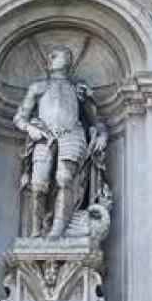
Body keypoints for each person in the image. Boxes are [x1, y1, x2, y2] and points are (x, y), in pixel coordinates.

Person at [13, 46, 108, 240]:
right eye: (51, 55)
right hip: (44, 135)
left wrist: (102, 136)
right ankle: (36, 230)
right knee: (38, 183)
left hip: (72, 134)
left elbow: (97, 121)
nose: (51, 57)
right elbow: (20, 118)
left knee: (65, 179)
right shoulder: (38, 87)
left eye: (56, 54)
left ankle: (58, 230)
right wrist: (31, 129)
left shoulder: (79, 90)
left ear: (68, 60)